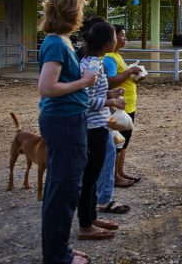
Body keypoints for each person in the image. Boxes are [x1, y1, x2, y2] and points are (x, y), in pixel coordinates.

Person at [37, 0, 96, 264]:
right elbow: (47, 87)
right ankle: (57, 255)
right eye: (80, 7)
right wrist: (84, 82)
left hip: (67, 120)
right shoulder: (57, 44)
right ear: (70, 11)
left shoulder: (59, 41)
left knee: (63, 186)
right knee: (64, 188)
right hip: (65, 122)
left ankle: (60, 249)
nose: (81, 13)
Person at [76, 21, 125, 240]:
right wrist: (108, 103)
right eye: (115, 35)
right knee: (90, 177)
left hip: (97, 125)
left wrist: (110, 96)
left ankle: (91, 216)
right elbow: (83, 100)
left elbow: (93, 93)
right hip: (93, 126)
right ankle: (85, 225)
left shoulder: (90, 61)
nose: (118, 38)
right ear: (108, 42)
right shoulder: (94, 65)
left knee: (92, 176)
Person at [103, 24, 143, 187]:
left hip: (128, 104)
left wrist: (136, 75)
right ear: (113, 37)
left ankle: (120, 171)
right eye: (121, 35)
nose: (124, 39)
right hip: (119, 105)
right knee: (117, 142)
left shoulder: (117, 56)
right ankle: (115, 176)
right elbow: (111, 80)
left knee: (125, 140)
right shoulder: (109, 57)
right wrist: (129, 71)